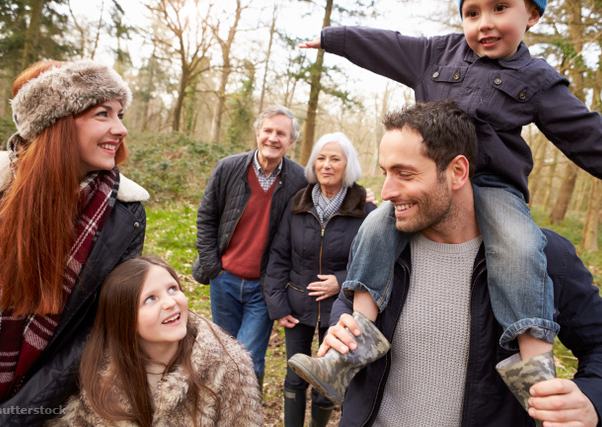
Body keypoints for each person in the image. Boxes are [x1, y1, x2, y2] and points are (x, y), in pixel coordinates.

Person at [297, 0, 602, 401]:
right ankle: (350, 352)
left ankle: (536, 374)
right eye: (472, 13)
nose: (484, 24)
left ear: (531, 15)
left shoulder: (536, 78)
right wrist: (333, 38)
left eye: (499, 8)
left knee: (520, 246)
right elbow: (386, 45)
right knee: (373, 227)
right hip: (427, 185)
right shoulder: (437, 53)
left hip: (493, 186)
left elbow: (586, 134)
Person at [312, 101, 601, 426]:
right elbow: (348, 299)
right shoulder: (380, 245)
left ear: (457, 172)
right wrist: (341, 327)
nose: (387, 191)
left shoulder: (542, 256)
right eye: (385, 173)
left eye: (404, 174)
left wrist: (592, 401)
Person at [0, 60, 148, 426]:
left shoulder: (125, 213)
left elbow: (98, 329)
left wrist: (16, 413)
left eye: (120, 114)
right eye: (103, 114)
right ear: (58, 123)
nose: (121, 128)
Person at [52, 256, 263, 426]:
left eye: (173, 289)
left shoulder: (228, 366)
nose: (170, 302)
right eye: (150, 299)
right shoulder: (97, 370)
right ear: (124, 318)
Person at [263, 132, 376, 426]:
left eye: (335, 159)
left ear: (347, 165)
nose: (327, 165)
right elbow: (278, 256)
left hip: (339, 309)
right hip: (297, 304)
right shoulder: (298, 202)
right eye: (321, 159)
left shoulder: (364, 208)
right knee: (295, 376)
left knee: (328, 379)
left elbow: (374, 261)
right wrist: (278, 305)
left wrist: (340, 280)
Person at [192, 106, 307, 386]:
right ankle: (224, 405)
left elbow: (325, 202)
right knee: (224, 353)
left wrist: (361, 199)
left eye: (281, 133)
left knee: (249, 359)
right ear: (257, 132)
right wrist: (213, 267)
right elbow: (206, 217)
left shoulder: (299, 179)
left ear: (291, 141)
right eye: (268, 130)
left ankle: (248, 407)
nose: (273, 138)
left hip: (264, 286)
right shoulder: (229, 168)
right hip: (224, 280)